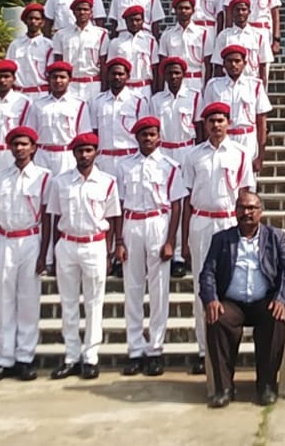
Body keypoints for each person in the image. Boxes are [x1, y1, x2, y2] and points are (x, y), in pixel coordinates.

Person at [174, 102, 255, 375]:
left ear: (228, 123)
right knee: (202, 285)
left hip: (230, 221)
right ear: (204, 124)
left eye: (220, 120)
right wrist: (184, 239)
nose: (216, 125)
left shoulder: (241, 154)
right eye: (211, 121)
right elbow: (185, 200)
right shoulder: (193, 155)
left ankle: (229, 349)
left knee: (231, 285)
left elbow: (246, 196)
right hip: (201, 222)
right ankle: (203, 350)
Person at [200, 191, 285, 408]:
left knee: (276, 318)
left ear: (260, 212)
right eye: (243, 208)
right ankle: (224, 388)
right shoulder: (221, 239)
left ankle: (266, 385)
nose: (247, 212)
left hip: (264, 301)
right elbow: (207, 273)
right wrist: (211, 299)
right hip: (232, 302)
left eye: (252, 208)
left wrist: (282, 299)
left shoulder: (275, 237)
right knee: (217, 319)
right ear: (235, 212)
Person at [45, 132, 120, 381]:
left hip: (94, 245)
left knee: (94, 302)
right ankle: (71, 356)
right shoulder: (60, 182)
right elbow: (54, 217)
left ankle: (90, 356)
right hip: (66, 244)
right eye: (80, 151)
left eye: (89, 150)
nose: (84, 155)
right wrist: (53, 253)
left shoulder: (107, 181)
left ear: (96, 152)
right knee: (68, 303)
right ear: (73, 153)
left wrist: (111, 251)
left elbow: (113, 217)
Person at [116, 116, 182, 377]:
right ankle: (134, 348)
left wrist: (171, 242)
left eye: (152, 134)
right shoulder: (124, 166)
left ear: (159, 136)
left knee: (158, 289)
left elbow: (177, 204)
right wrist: (118, 240)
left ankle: (155, 348)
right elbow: (119, 204)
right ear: (136, 137)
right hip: (132, 223)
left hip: (158, 223)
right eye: (143, 135)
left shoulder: (170, 166)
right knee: (132, 288)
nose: (148, 139)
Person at [0, 126, 49, 383]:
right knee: (5, 300)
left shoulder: (43, 177)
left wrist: (46, 253)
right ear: (9, 148)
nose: (20, 149)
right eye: (15, 144)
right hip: (4, 240)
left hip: (31, 239)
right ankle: (4, 358)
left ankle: (25, 358)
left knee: (28, 300)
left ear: (34, 147)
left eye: (25, 144)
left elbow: (46, 216)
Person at [150, 56, 202, 277]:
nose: (173, 77)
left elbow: (199, 128)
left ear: (184, 74)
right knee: (165, 202)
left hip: (186, 150)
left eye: (177, 73)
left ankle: (181, 253)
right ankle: (164, 247)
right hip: (163, 152)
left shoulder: (194, 97)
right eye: (169, 73)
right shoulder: (156, 100)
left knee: (186, 202)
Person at [201, 44, 272, 173]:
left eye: (237, 61)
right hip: (222, 138)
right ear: (223, 64)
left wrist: (260, 156)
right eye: (229, 61)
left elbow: (261, 122)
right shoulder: (213, 86)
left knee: (247, 187)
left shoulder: (255, 85)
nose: (233, 65)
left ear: (245, 63)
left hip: (247, 139)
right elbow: (206, 120)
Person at [87, 57, 145, 180]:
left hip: (130, 158)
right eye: (113, 74)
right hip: (104, 160)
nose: (117, 77)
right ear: (108, 76)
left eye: (121, 74)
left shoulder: (138, 101)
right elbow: (94, 132)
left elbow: (143, 132)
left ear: (127, 76)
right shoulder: (97, 101)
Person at [29, 61, 88, 177]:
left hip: (67, 156)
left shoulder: (79, 105)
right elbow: (31, 134)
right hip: (42, 154)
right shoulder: (38, 105)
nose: (58, 81)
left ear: (69, 79)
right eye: (54, 77)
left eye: (62, 77)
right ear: (49, 79)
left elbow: (84, 135)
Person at [55, 0, 108, 102]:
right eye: (79, 9)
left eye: (85, 9)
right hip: (70, 85)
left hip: (93, 85)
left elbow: (103, 64)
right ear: (73, 12)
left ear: (91, 13)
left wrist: (104, 88)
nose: (82, 12)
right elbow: (58, 62)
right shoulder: (61, 35)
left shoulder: (101, 34)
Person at [212, 0, 272, 84]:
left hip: (252, 81)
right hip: (228, 83)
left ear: (249, 12)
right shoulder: (224, 36)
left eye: (244, 9)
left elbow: (263, 66)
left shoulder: (259, 36)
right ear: (232, 13)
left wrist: (261, 88)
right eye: (237, 10)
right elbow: (218, 65)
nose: (240, 13)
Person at [105, 5, 159, 97]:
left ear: (143, 21)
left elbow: (155, 69)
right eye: (131, 20)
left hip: (144, 87)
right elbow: (109, 69)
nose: (134, 23)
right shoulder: (116, 42)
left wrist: (155, 91)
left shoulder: (150, 41)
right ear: (126, 22)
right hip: (123, 88)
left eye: (138, 20)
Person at [160, 0, 212, 88]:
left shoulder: (203, 34)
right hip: (173, 81)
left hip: (195, 81)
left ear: (193, 11)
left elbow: (208, 65)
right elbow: (162, 64)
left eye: (187, 8)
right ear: (175, 11)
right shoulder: (167, 35)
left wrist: (206, 87)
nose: (183, 11)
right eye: (180, 8)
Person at [6, 4, 55, 94]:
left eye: (37, 19)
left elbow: (52, 73)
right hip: (19, 94)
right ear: (25, 21)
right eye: (30, 18)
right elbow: (8, 70)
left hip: (41, 94)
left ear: (42, 22)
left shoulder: (49, 46)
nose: (33, 21)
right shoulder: (15, 45)